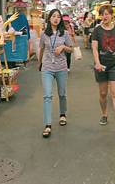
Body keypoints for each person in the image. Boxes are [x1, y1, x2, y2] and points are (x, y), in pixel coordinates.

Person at [38, 9, 74, 138]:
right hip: (47, 67)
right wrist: (39, 63)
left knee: (62, 93)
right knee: (47, 95)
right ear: (49, 19)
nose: (56, 18)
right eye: (54, 16)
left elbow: (72, 49)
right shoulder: (44, 34)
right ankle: (47, 125)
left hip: (61, 67)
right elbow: (41, 49)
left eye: (58, 17)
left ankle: (62, 114)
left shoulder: (64, 34)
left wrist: (64, 47)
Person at [91, 4, 115, 134]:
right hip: (101, 65)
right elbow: (94, 48)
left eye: (107, 14)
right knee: (103, 94)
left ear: (112, 15)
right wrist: (97, 63)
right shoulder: (97, 31)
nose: (104, 16)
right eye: (102, 14)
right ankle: (104, 114)